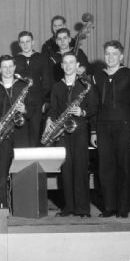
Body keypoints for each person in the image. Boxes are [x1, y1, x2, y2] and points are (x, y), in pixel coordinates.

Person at [90, 40, 130, 218]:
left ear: (121, 56)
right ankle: (109, 207)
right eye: (107, 54)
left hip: (124, 127)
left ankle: (123, 208)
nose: (110, 57)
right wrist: (93, 131)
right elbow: (94, 106)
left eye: (114, 54)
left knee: (124, 168)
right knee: (105, 169)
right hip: (103, 128)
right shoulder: (97, 76)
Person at [45, 52, 98, 218]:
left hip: (80, 129)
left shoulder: (86, 85)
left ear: (77, 66)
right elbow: (53, 108)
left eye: (71, 63)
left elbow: (95, 108)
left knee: (81, 168)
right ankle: (68, 207)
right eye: (65, 63)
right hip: (63, 131)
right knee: (66, 169)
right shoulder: (57, 86)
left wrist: (82, 111)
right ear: (61, 66)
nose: (68, 66)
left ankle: (83, 209)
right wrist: (49, 120)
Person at [0, 55, 33, 209]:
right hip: (2, 134)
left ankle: (22, 207)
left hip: (21, 133)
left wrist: (25, 109)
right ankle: (0, 205)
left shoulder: (23, 86)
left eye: (10, 66)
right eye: (4, 67)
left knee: (22, 171)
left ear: (14, 67)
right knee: (0, 171)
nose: (7, 69)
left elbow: (33, 111)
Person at [14, 31, 52, 147]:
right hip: (19, 103)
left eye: (28, 41)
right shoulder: (14, 60)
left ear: (33, 42)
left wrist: (45, 101)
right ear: (19, 44)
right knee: (20, 137)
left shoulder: (42, 58)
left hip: (37, 103)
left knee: (36, 136)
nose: (25, 45)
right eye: (22, 42)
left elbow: (47, 82)